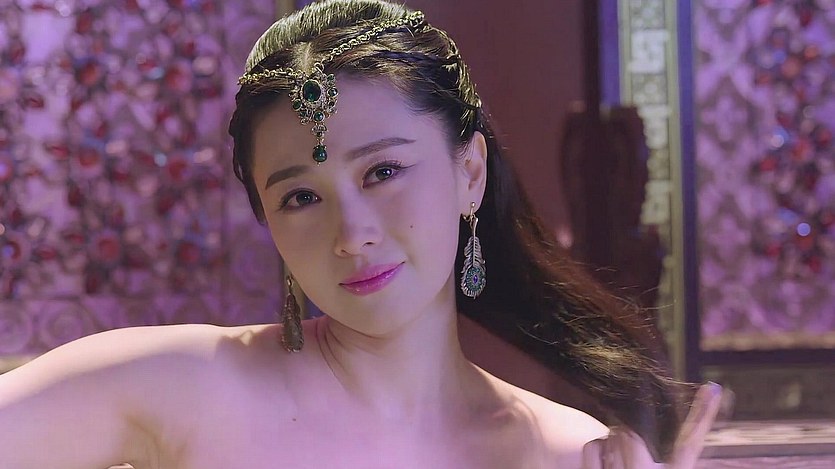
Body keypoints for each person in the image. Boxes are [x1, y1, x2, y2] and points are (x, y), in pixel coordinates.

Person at [0, 1, 721, 467]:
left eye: (382, 172)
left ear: (469, 172)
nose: (351, 234)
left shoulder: (566, 452)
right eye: (300, 197)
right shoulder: (175, 385)